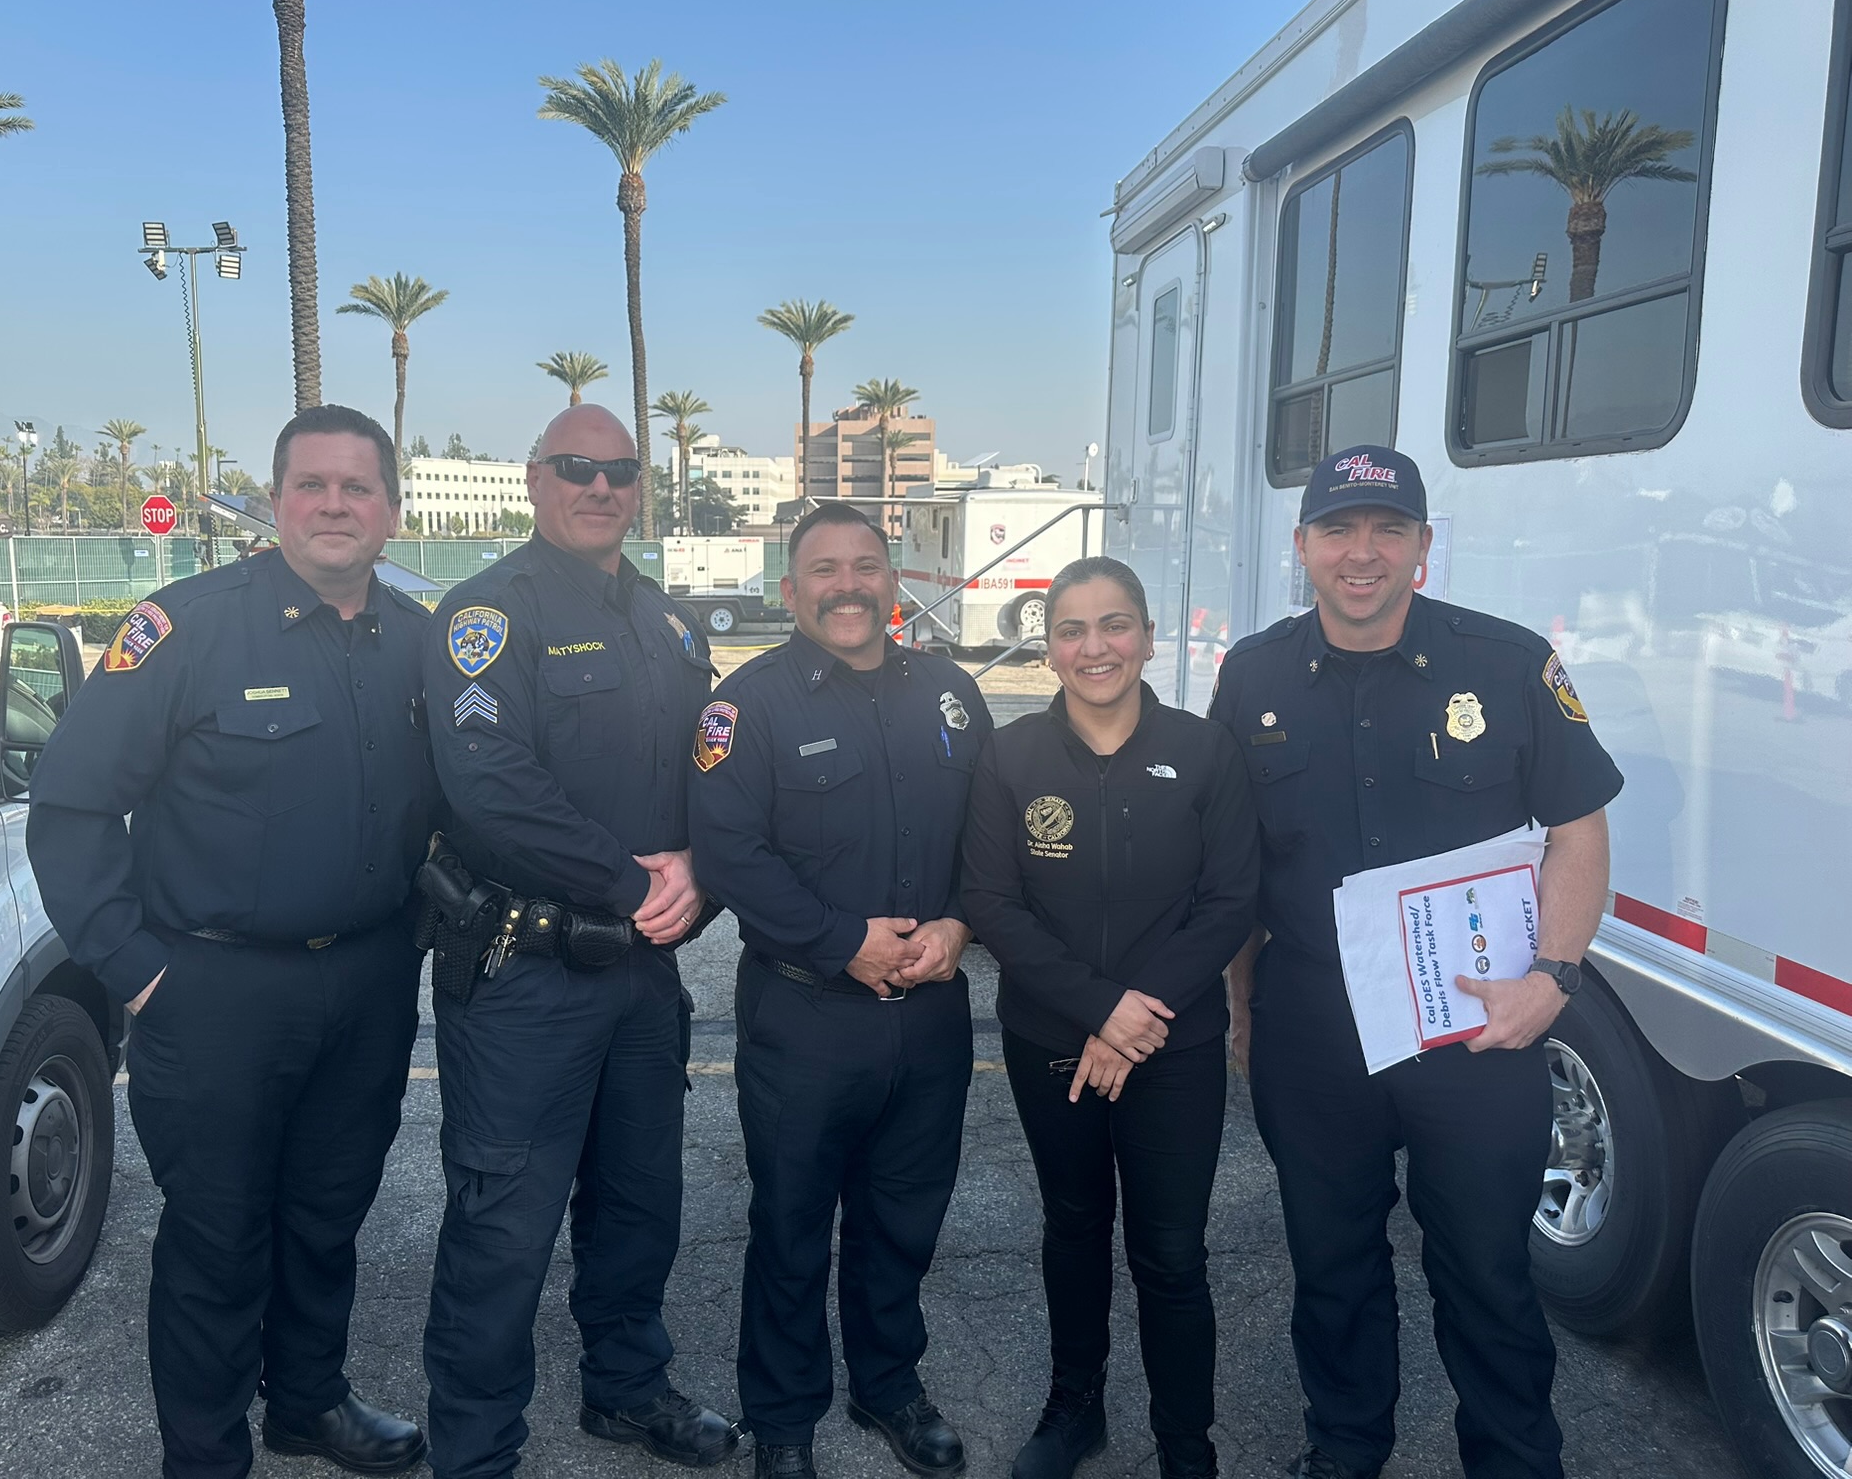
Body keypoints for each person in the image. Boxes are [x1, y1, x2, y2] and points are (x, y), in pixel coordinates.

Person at [26, 403, 438, 1479]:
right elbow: (70, 809)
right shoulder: (186, 628)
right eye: (312, 485)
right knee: (217, 1235)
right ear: (275, 502)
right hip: (211, 992)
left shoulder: (419, 642)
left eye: (358, 487)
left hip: (367, 983)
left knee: (327, 1215)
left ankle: (306, 1402)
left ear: (392, 511)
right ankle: (206, 1458)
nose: (335, 505)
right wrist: (138, 972)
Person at [1209, 446, 1623, 1479]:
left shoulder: (1509, 664)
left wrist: (1552, 979)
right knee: (1330, 1265)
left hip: (1472, 1025)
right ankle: (1346, 1449)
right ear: (1302, 546)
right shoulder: (1251, 675)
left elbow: (1578, 829)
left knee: (1485, 1271)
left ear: (1423, 546)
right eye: (1338, 530)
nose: (1362, 553)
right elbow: (1239, 860)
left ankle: (1514, 1461)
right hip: (1314, 1026)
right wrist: (1242, 1006)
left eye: (1387, 530)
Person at [418, 403, 737, 1479]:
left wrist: (701, 868)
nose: (600, 486)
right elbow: (491, 785)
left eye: (618, 470)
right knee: (503, 1227)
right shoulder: (486, 614)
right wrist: (634, 881)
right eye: (575, 466)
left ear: (639, 485)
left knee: (640, 1206)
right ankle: (475, 1447)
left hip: (641, 976)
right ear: (534, 478)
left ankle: (628, 1390)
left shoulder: (669, 623)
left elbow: (708, 773)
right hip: (525, 975)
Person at [688, 502, 995, 1479]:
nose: (848, 585)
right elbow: (730, 854)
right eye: (824, 569)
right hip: (805, 1014)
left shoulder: (951, 693)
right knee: (790, 1225)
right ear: (790, 590)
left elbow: (990, 837)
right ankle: (783, 1420)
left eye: (866, 565)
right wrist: (842, 942)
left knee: (903, 1217)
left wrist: (961, 924)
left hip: (931, 1012)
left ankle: (888, 1385)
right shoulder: (746, 708)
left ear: (893, 581)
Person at [960, 557, 1258, 1479]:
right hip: (1052, 1039)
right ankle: (1075, 1407)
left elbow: (1230, 900)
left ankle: (1185, 1446)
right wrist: (1100, 1010)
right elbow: (992, 902)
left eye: (1116, 624)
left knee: (1171, 1254)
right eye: (1073, 630)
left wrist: (1136, 1018)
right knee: (1075, 1226)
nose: (1096, 647)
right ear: (1048, 648)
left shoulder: (1206, 751)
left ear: (1149, 639)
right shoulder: (1010, 756)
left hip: (1177, 1046)